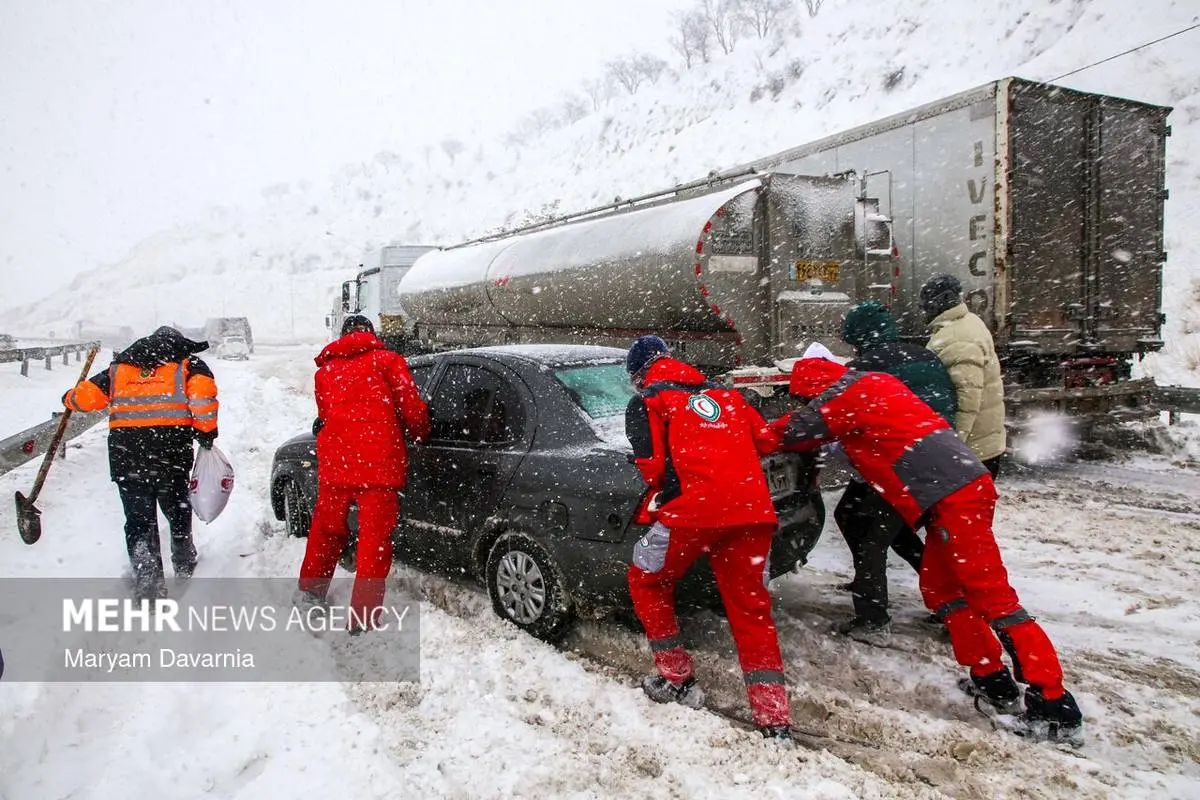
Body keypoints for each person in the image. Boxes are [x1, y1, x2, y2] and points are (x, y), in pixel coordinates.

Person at [767, 352, 1083, 744]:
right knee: (942, 589)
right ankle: (991, 678)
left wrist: (734, 422)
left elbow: (788, 432)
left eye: (805, 399)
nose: (806, 406)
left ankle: (1053, 703)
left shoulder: (845, 397)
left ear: (814, 389)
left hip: (954, 499)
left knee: (993, 598)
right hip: (956, 491)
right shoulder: (873, 384)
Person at [623, 335, 793, 743]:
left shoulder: (648, 402)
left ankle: (676, 677)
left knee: (647, 579)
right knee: (752, 611)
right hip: (751, 513)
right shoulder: (727, 396)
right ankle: (774, 719)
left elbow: (653, 468)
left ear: (639, 374)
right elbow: (769, 440)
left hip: (693, 514)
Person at [63, 326, 219, 599]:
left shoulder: (118, 369)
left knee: (138, 520)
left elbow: (87, 398)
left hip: (127, 455)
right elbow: (202, 399)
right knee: (177, 509)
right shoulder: (187, 364)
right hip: (171, 452)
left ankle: (148, 578)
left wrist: (69, 397)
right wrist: (206, 432)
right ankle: (183, 560)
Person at [833, 301, 957, 644]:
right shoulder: (925, 356)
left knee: (872, 534)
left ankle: (875, 620)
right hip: (941, 456)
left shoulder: (866, 367)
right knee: (853, 514)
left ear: (858, 336)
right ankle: (931, 595)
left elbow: (849, 417)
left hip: (901, 464)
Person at [297, 315, 429, 632]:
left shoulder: (325, 372)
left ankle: (311, 594)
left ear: (343, 336)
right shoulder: (388, 361)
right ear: (370, 333)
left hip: (337, 465)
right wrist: (421, 432)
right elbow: (411, 408)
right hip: (379, 467)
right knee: (373, 542)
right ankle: (362, 618)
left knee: (326, 531)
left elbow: (326, 416)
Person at [920, 274, 1006, 476]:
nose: (923, 308)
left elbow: (967, 401)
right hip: (981, 446)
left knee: (960, 508)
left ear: (939, 302)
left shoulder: (958, 338)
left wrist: (952, 448)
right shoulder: (966, 323)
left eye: (926, 302)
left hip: (973, 452)